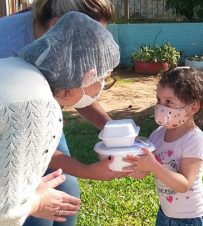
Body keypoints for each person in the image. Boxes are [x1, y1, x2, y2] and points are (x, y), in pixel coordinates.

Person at [0, 1, 127, 225]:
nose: (98, 85)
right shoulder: (33, 104)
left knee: (62, 190)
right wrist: (35, 201)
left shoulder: (29, 73)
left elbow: (39, 149)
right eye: (97, 77)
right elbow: (7, 209)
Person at [124, 67, 203, 226]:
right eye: (159, 100)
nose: (161, 106)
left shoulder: (194, 140)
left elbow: (184, 184)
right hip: (166, 215)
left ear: (193, 107)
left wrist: (154, 166)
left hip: (192, 218)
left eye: (169, 102)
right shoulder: (157, 135)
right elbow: (142, 173)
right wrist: (127, 163)